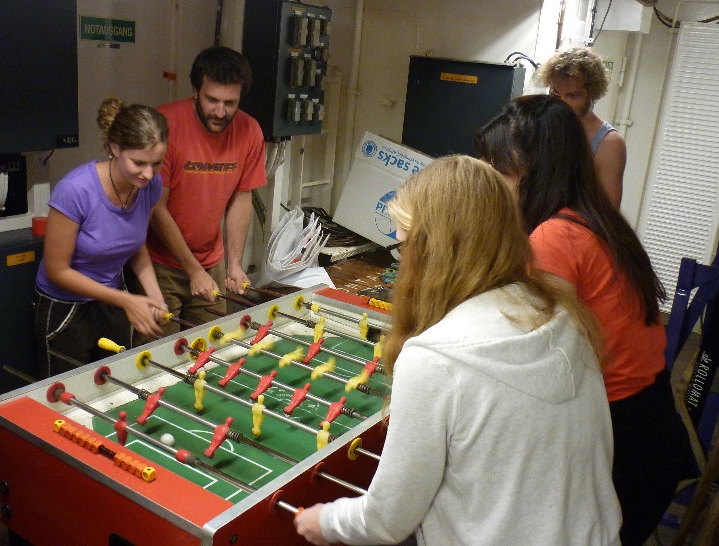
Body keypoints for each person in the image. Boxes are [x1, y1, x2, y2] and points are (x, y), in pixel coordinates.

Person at [295, 156, 622, 546]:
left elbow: (386, 520)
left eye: (403, 247)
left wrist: (324, 520)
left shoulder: (434, 360)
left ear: (432, 252)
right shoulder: (564, 314)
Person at [474, 94, 693, 546]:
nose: (492, 182)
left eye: (499, 169)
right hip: (650, 427)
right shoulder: (594, 218)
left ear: (532, 167)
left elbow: (539, 361)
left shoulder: (556, 235)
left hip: (621, 447)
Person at [34, 97, 169, 377]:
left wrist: (154, 296)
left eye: (156, 163)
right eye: (139, 163)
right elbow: (57, 270)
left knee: (116, 386)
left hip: (112, 303)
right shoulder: (75, 190)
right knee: (67, 398)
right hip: (66, 308)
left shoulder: (150, 185)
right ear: (114, 148)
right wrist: (126, 300)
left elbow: (135, 245)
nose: (148, 173)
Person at [142, 46, 267, 336]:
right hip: (159, 263)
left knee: (209, 350)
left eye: (230, 103)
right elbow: (155, 207)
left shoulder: (250, 131)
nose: (220, 112)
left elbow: (241, 197)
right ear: (195, 91)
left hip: (212, 262)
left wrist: (234, 264)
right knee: (158, 359)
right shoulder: (165, 126)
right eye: (212, 100)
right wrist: (192, 269)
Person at [538, 47, 626, 208]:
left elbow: (609, 212)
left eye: (572, 96)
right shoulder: (540, 127)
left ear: (592, 94)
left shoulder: (609, 143)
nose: (561, 103)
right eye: (556, 94)